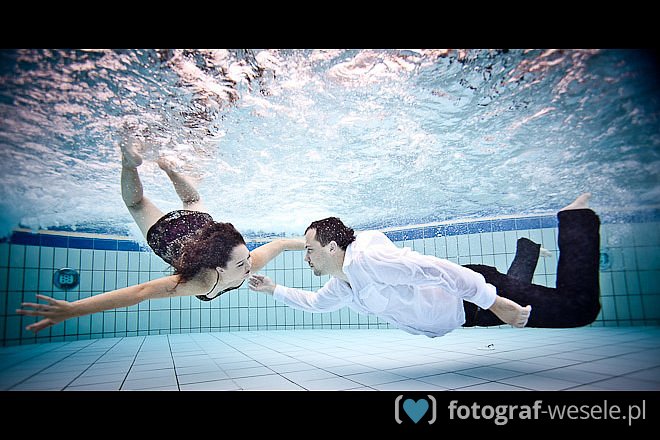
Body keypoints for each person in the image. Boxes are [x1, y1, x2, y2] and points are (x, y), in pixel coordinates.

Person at [17, 132, 304, 333]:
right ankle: (135, 164)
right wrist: (72, 310)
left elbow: (280, 243)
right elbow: (140, 292)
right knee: (137, 204)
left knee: (192, 200)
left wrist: (318, 244)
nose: (250, 264)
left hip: (201, 226)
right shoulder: (201, 283)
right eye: (242, 263)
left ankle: (166, 167)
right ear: (218, 267)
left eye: (247, 258)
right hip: (170, 236)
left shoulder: (242, 260)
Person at [248, 193, 601, 338]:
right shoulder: (343, 282)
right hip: (468, 313)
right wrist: (272, 288)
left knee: (579, 309)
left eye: (309, 250)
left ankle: (577, 218)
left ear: (331, 247)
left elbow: (435, 269)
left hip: (471, 297)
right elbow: (314, 303)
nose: (305, 257)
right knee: (513, 291)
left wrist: (494, 302)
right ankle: (528, 250)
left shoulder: (369, 260)